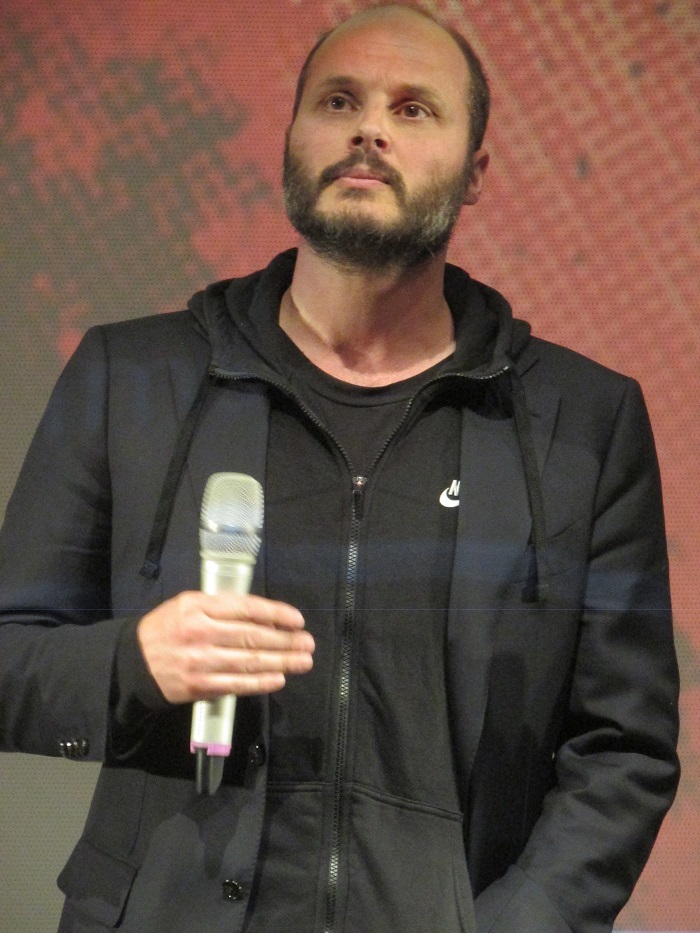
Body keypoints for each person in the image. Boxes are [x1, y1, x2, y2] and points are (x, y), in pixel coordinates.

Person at [0, 5, 680, 932]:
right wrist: (134, 663)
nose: (369, 129)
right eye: (338, 101)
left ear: (475, 172)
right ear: (291, 140)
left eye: (413, 109)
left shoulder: (582, 420)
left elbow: (625, 747)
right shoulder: (132, 377)